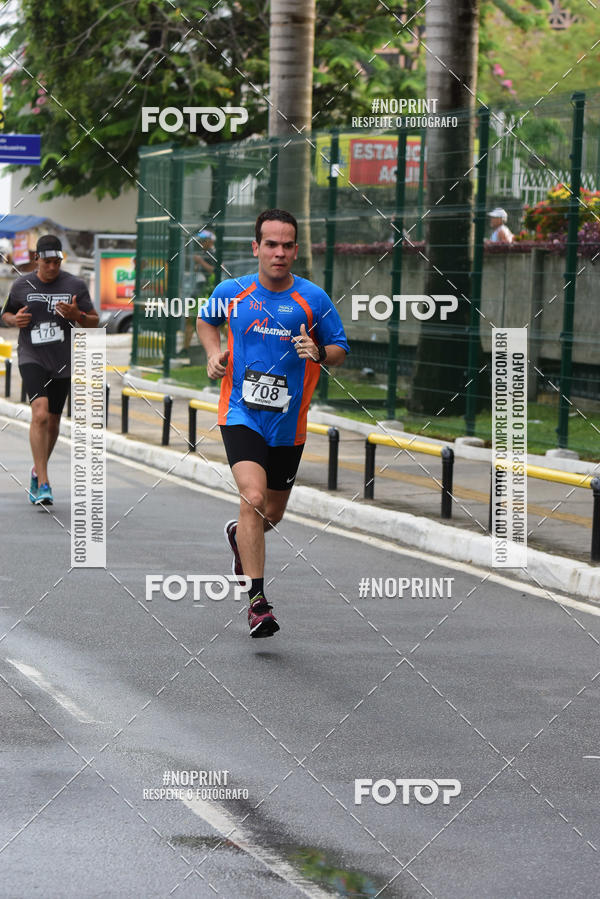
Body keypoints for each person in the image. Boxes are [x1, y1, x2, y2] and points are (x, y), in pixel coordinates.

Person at [197, 209, 349, 638]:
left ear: (295, 250)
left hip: (288, 423)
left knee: (272, 513)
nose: (279, 252)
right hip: (240, 412)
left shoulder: (313, 299)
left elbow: (340, 348)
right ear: (256, 247)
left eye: (287, 245)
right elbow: (205, 321)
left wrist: (318, 352)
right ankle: (257, 603)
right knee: (253, 496)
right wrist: (214, 352)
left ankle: (240, 536)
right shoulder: (233, 291)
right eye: (271, 244)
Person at [1, 234, 99, 505]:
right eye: (48, 262)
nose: (53, 267)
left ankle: (37, 469)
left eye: (57, 262)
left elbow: (93, 321)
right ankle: (43, 482)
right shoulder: (22, 285)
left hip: (63, 361)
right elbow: (5, 314)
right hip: (32, 356)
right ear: (37, 260)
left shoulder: (74, 285)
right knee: (40, 414)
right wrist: (14, 319)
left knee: (54, 421)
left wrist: (76, 316)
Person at [183, 229, 216, 352]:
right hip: (199, 289)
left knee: (212, 321)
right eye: (201, 240)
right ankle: (186, 348)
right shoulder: (204, 253)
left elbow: (215, 270)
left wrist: (200, 262)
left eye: (204, 240)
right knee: (190, 317)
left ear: (211, 241)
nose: (201, 243)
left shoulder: (213, 254)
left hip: (206, 290)